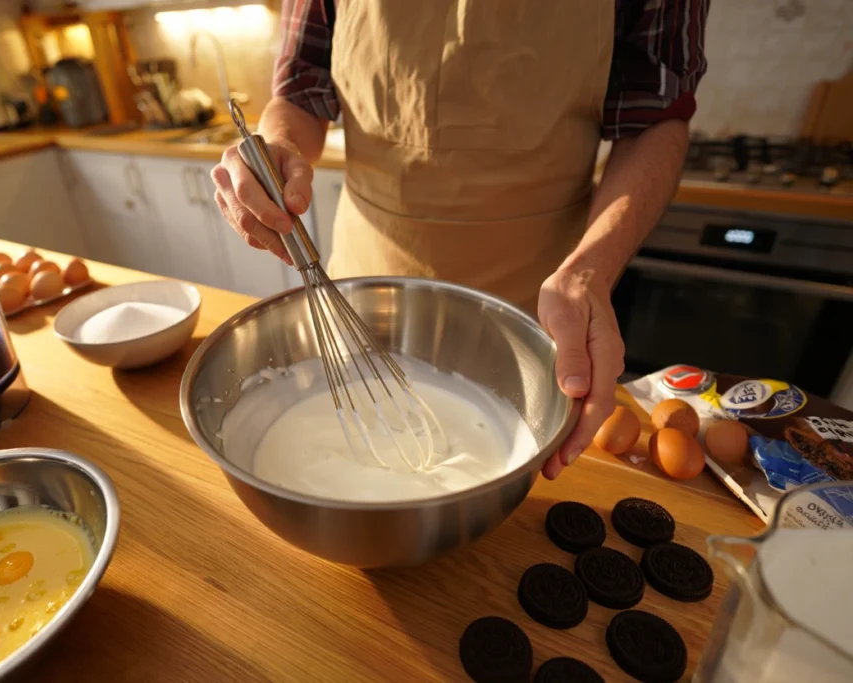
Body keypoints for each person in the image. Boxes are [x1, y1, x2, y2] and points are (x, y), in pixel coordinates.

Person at [211, 0, 709, 479]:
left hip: (536, 300)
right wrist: (279, 149)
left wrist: (590, 271)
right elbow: (300, 90)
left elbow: (655, 119)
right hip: (367, 286)